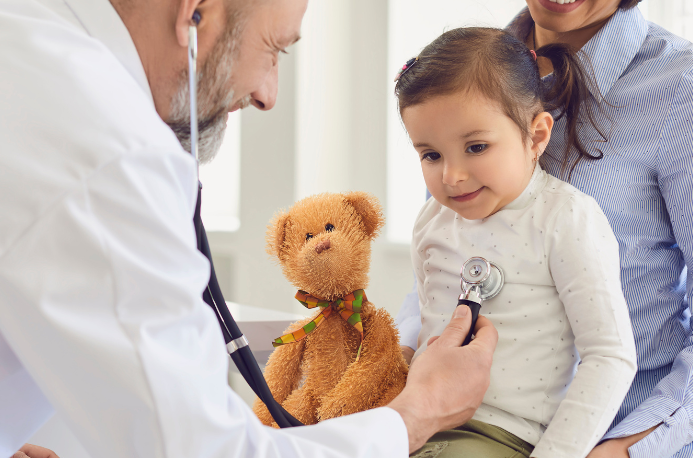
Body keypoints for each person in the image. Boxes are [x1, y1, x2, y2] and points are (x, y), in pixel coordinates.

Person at [0, 0, 499, 457]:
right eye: (273, 50)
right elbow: (207, 451)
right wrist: (416, 414)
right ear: (194, 14)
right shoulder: (108, 152)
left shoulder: (28, 43)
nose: (267, 94)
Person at [396, 0, 693, 456]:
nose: (453, 175)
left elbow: (610, 357)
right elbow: (436, 286)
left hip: (609, 437)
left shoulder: (678, 88)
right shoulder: (463, 72)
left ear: (538, 134)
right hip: (438, 425)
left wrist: (626, 449)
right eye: (432, 156)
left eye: (476, 146)